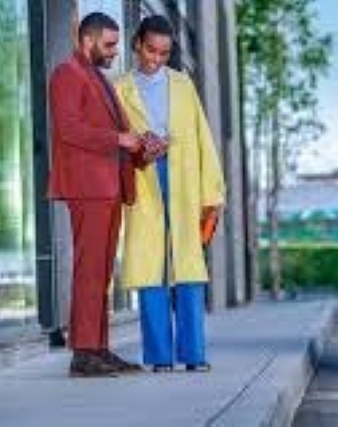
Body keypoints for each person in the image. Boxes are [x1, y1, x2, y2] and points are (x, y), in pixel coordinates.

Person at [114, 15, 226, 372]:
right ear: (137, 44)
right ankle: (159, 357)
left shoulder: (182, 84)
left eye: (164, 53)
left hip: (184, 178)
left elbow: (203, 136)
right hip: (144, 177)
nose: (156, 59)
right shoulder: (119, 89)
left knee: (189, 265)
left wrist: (212, 192)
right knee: (151, 267)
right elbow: (115, 141)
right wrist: (140, 147)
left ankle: (195, 355)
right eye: (151, 50)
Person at [48, 12, 145, 377]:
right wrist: (119, 138)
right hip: (88, 188)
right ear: (86, 40)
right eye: (108, 44)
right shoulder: (67, 74)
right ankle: (83, 354)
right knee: (89, 270)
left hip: (109, 188)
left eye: (115, 44)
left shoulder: (97, 78)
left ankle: (98, 349)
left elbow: (111, 132)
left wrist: (141, 145)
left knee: (101, 272)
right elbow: (68, 129)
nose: (114, 51)